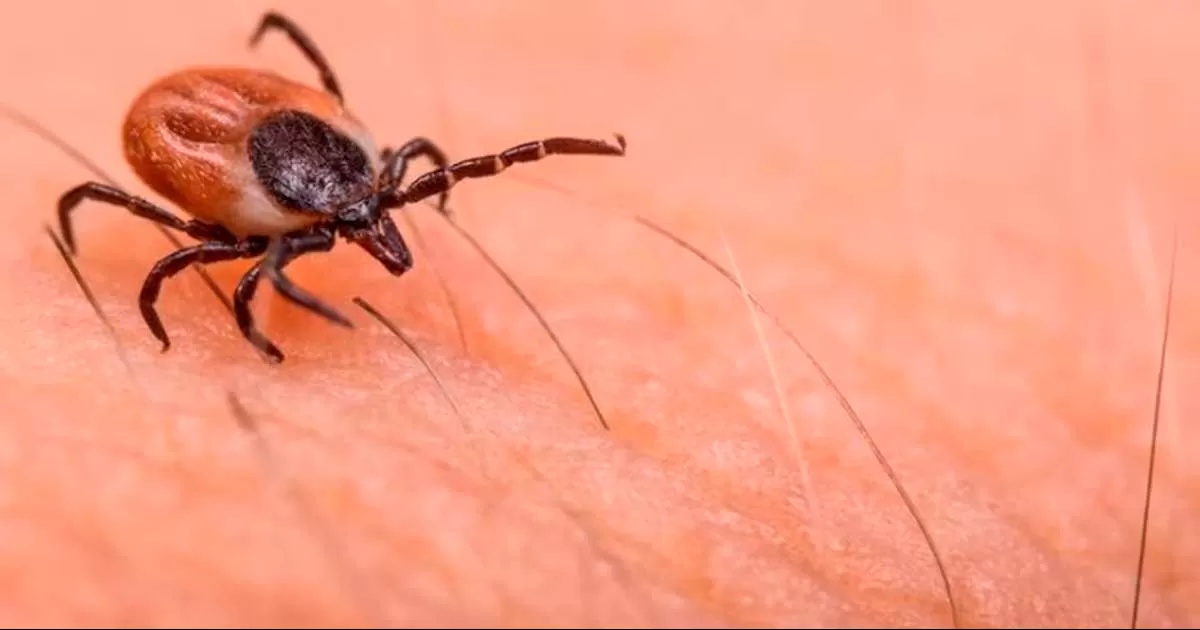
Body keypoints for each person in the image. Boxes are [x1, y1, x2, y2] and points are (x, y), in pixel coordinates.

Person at [2, 1, 1190, 626]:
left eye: (376, 208)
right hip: (210, 159)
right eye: (358, 225)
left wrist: (338, 220)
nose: (381, 231)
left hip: (288, 162)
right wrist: (270, 309)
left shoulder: (367, 168)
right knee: (247, 270)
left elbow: (365, 189)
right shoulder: (286, 212)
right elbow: (246, 270)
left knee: (330, 211)